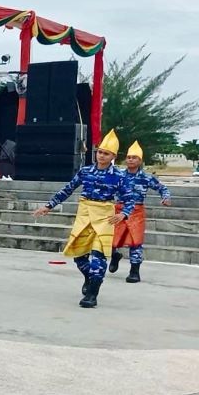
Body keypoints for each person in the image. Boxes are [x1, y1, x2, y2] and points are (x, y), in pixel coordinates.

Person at [33, 129, 136, 309]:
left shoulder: (119, 176)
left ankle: (92, 293)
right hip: (85, 214)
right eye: (100, 152)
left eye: (106, 153)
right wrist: (49, 206)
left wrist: (123, 213)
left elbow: (130, 198)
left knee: (98, 256)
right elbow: (68, 189)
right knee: (79, 255)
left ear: (113, 156)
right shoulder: (85, 171)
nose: (101, 156)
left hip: (105, 217)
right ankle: (89, 277)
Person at [108, 141, 172, 283]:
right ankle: (114, 256)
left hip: (136, 211)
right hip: (119, 209)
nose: (130, 159)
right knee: (111, 238)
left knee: (135, 242)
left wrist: (166, 198)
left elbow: (163, 188)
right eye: (129, 157)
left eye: (134, 157)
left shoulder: (146, 177)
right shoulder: (118, 175)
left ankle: (134, 271)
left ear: (140, 160)